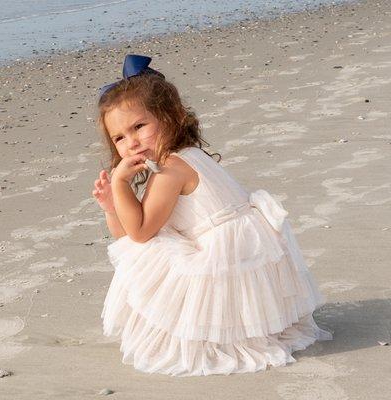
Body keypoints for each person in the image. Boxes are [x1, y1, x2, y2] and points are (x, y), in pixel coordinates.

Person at [91, 54, 333, 377]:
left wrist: (120, 182)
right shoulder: (187, 156)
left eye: (139, 126)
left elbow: (137, 234)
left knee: (154, 246)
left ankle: (215, 329)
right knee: (152, 244)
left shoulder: (170, 170)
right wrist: (112, 206)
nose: (131, 142)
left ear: (171, 116)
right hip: (247, 255)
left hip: (225, 261)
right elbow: (129, 237)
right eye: (120, 137)